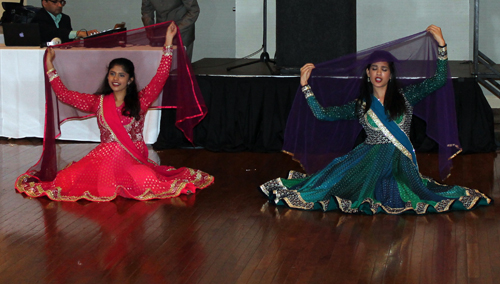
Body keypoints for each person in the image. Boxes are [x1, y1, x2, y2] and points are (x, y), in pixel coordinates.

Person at [260, 25, 491, 215]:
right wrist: (305, 87)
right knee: (332, 185)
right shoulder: (360, 105)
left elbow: (439, 79)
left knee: (398, 191)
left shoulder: (406, 96)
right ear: (368, 74)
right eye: (374, 69)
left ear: (390, 74)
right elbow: (323, 114)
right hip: (367, 160)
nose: (379, 73)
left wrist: (441, 45)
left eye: (384, 69)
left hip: (399, 161)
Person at [15, 22, 214, 202]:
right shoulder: (98, 102)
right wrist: (50, 65)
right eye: (112, 73)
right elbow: (65, 95)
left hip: (133, 157)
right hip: (104, 157)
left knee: (146, 181)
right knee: (66, 180)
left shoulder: (141, 100)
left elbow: (161, 75)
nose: (115, 78)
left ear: (130, 80)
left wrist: (168, 42)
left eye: (121, 75)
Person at [31, 0, 99, 45]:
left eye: (61, 2)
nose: (60, 5)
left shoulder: (65, 18)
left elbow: (67, 38)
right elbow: (52, 32)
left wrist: (76, 39)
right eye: (55, 2)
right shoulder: (38, 17)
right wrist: (78, 33)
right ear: (44, 3)